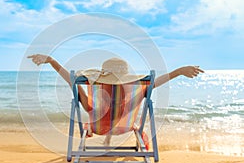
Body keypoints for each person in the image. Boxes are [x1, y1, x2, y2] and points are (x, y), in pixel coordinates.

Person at [28, 54, 204, 145]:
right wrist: (178, 72)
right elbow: (154, 84)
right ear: (126, 80)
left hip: (99, 128)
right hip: (123, 128)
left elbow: (71, 80)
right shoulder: (131, 101)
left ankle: (106, 139)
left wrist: (51, 61)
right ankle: (109, 140)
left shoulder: (93, 106)